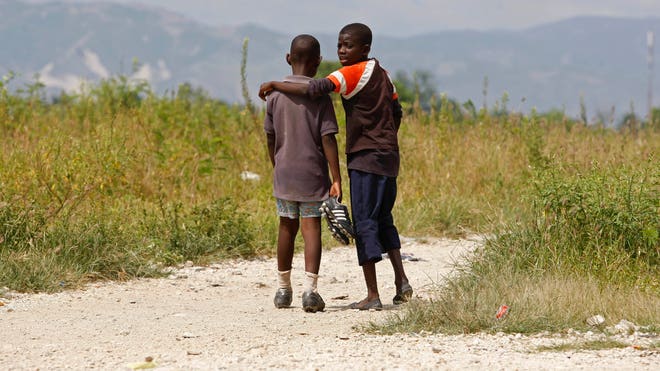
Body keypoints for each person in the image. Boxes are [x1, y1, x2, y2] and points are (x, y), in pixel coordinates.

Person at [259, 23, 412, 310]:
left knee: (362, 220)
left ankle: (371, 295)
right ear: (318, 59)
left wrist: (274, 84)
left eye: (348, 46)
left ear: (365, 49)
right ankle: (400, 281)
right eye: (340, 45)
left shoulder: (347, 74)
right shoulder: (384, 75)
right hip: (387, 156)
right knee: (381, 219)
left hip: (361, 156)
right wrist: (385, 139)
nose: (342, 51)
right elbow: (396, 112)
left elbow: (312, 91)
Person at [263, 34, 342, 313]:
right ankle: (311, 291)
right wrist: (336, 177)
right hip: (312, 175)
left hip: (284, 172)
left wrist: (277, 164)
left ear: (288, 58)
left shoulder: (274, 95)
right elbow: (328, 139)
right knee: (311, 230)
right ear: (318, 62)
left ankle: (283, 290)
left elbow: (270, 137)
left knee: (286, 227)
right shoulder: (319, 96)